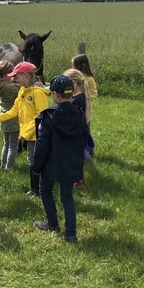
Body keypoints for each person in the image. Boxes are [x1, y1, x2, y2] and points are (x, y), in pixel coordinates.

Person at [31, 75, 89, 243]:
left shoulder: (48, 116)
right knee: (67, 197)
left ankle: (52, 223)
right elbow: (84, 138)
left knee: (45, 190)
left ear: (55, 94)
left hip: (51, 165)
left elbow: (42, 144)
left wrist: (36, 165)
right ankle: (71, 234)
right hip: (71, 163)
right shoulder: (78, 114)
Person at [0, 61, 50, 195]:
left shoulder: (38, 93)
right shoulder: (22, 91)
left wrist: (27, 132)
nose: (14, 79)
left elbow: (42, 116)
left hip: (36, 134)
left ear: (26, 76)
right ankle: (34, 190)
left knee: (35, 162)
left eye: (17, 76)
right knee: (31, 161)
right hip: (28, 134)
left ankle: (39, 191)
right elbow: (14, 111)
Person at [63, 68, 93, 188]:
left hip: (75, 133)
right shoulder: (76, 97)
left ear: (74, 82)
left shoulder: (77, 99)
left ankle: (78, 182)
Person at [0, 60, 21, 170]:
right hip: (12, 117)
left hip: (2, 115)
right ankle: (9, 167)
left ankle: (3, 165)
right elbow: (22, 88)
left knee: (6, 144)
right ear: (7, 75)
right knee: (13, 146)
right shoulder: (10, 88)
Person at [71, 53, 97, 157]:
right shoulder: (74, 79)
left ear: (79, 66)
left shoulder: (89, 79)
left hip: (85, 109)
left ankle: (90, 151)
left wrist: (85, 97)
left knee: (86, 130)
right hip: (74, 108)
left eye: (73, 65)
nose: (72, 68)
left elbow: (94, 94)